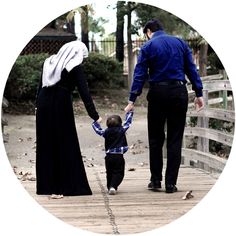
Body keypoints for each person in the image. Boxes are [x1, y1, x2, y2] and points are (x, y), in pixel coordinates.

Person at [124, 19, 204, 193]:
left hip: (158, 93)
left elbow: (139, 74)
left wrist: (132, 99)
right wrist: (199, 93)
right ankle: (171, 184)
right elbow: (191, 69)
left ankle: (155, 181)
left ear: (148, 31)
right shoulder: (180, 43)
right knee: (175, 139)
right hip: (178, 92)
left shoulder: (148, 47)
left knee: (155, 139)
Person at [35, 40, 101, 197]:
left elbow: (40, 86)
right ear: (77, 54)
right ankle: (69, 186)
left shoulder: (49, 62)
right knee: (65, 142)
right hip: (60, 103)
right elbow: (84, 92)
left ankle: (46, 186)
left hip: (43, 103)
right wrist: (94, 116)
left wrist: (37, 106)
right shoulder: (74, 66)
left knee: (46, 143)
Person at [92, 111, 133, 195]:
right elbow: (128, 123)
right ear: (120, 123)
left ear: (107, 124)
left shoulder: (106, 132)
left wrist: (95, 122)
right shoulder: (121, 130)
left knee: (109, 172)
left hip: (109, 157)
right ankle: (113, 186)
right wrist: (130, 113)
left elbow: (98, 130)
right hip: (118, 157)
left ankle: (110, 186)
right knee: (119, 172)